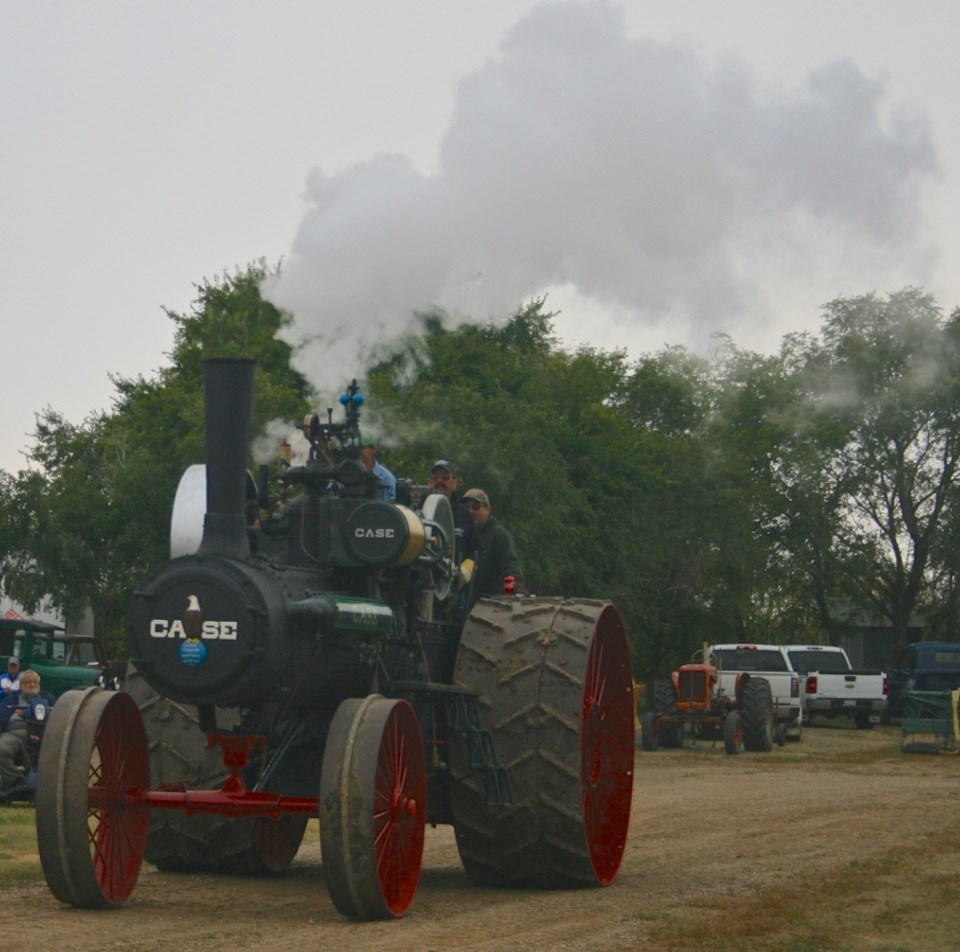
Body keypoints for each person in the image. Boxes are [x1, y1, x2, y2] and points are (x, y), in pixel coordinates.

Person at [461, 488, 523, 608]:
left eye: (475, 506)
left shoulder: (499, 535)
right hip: (463, 605)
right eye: (466, 507)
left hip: (490, 607)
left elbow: (511, 569)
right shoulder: (463, 535)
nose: (471, 511)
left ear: (488, 509)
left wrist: (508, 598)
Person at [0, 669, 55, 793]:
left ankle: (46, 787)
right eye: (28, 682)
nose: (32, 685)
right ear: (20, 685)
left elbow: (58, 719)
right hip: (14, 735)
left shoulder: (48, 699)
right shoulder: (10, 701)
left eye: (35, 682)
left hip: (43, 736)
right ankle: (18, 783)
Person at [427, 460, 474, 562]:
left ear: (454, 482)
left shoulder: (465, 515)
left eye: (445, 477)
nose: (439, 481)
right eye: (435, 477)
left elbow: (474, 549)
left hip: (452, 575)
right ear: (429, 482)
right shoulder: (416, 510)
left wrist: (468, 566)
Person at [360, 433, 397, 501]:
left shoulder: (386, 478)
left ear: (373, 450)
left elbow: (387, 508)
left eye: (362, 448)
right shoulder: (343, 475)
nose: (358, 452)